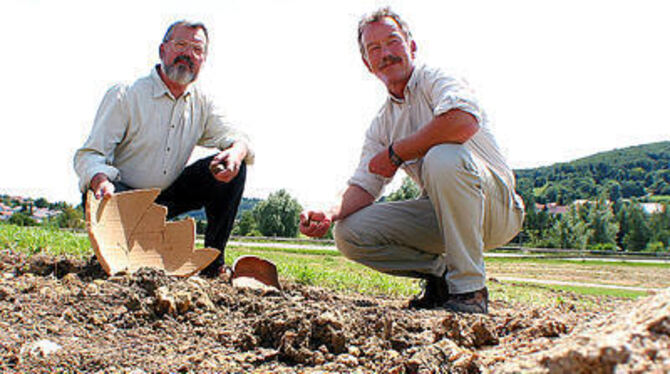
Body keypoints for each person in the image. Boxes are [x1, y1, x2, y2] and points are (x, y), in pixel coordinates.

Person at [299, 8, 524, 314]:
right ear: (368, 64)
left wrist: (397, 152)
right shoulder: (382, 123)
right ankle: (442, 274)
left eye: (393, 42)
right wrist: (327, 212)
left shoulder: (437, 80)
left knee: (442, 155)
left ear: (412, 46)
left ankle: (470, 291)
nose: (386, 54)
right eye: (374, 49)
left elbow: (463, 121)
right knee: (349, 233)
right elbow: (365, 184)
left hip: (496, 208)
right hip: (444, 214)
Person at [74, 20, 253, 278]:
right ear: (162, 50)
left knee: (235, 166)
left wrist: (236, 153)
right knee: (121, 265)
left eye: (197, 49)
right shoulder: (126, 94)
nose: (188, 54)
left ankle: (213, 265)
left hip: (165, 200)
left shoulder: (201, 103)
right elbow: (90, 154)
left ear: (204, 59)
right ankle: (117, 249)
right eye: (180, 44)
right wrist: (100, 180)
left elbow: (238, 137)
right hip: (119, 197)